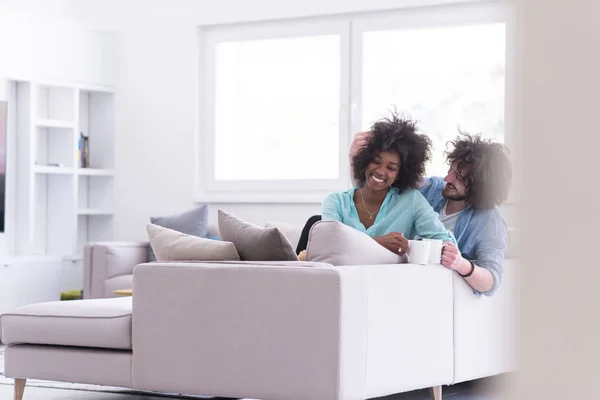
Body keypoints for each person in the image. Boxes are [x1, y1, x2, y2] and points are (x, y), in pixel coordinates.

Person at [350, 130, 512, 296]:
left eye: (459, 178)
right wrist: (356, 160)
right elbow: (376, 191)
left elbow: (491, 281)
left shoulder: (489, 221)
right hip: (398, 279)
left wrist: (461, 264)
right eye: (451, 170)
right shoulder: (431, 189)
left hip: (435, 293)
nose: (448, 179)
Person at [308, 111, 456, 258]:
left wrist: (410, 246)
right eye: (376, 161)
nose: (380, 171)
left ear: (400, 173)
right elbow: (327, 246)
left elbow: (447, 242)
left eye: (391, 168)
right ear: (365, 160)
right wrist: (378, 242)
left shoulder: (411, 200)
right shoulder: (335, 202)